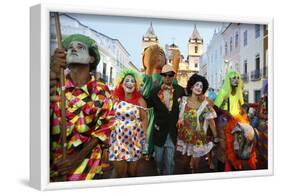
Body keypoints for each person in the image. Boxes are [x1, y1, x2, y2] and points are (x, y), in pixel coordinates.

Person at [50, 34, 115, 181]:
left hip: (86, 173)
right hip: (52, 172)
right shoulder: (54, 86)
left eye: (80, 47)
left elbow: (103, 131)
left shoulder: (101, 91)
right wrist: (52, 73)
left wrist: (75, 159)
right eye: (70, 48)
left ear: (91, 59)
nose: (73, 49)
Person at [141, 44, 180, 159]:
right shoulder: (147, 76)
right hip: (151, 112)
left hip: (164, 111)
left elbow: (174, 87)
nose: (158, 57)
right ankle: (148, 150)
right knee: (150, 131)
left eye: (161, 54)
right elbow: (145, 91)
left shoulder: (165, 76)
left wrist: (174, 68)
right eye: (153, 55)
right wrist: (149, 69)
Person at [146, 64, 185, 175]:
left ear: (174, 76)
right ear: (161, 76)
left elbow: (192, 98)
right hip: (159, 132)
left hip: (172, 132)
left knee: (170, 161)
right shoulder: (154, 91)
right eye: (164, 75)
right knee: (158, 160)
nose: (167, 77)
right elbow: (146, 105)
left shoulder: (180, 90)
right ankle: (159, 173)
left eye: (170, 74)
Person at [109, 69, 148, 178]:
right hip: (118, 141)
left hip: (134, 141)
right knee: (121, 174)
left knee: (132, 174)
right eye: (127, 81)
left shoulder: (140, 101)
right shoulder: (115, 99)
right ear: (121, 84)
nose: (130, 83)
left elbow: (144, 119)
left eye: (133, 81)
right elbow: (109, 118)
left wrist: (143, 137)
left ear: (136, 85)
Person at [177, 74, 218, 173]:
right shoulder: (183, 101)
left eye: (201, 86)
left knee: (195, 166)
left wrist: (216, 136)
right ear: (191, 87)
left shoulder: (205, 105)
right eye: (197, 85)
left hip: (198, 139)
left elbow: (211, 121)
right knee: (185, 164)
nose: (199, 88)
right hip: (185, 137)